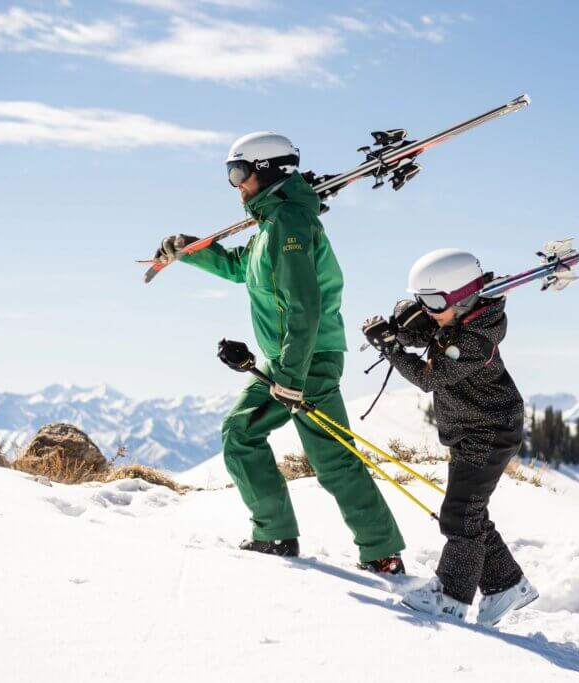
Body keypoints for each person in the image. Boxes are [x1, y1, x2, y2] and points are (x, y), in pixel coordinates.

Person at [156, 132, 405, 573]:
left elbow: (305, 304)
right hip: (283, 359)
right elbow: (240, 267)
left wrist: (291, 375)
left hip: (308, 359)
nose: (235, 185)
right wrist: (190, 249)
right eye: (230, 174)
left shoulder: (290, 224)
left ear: (265, 170)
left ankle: (381, 552)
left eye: (238, 172)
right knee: (240, 432)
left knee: (330, 458)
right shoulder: (271, 224)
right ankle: (273, 534)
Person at [362, 248, 539, 624]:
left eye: (432, 301)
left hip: (489, 432)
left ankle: (450, 597)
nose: (426, 308)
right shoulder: (457, 319)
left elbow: (430, 376)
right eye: (420, 299)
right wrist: (400, 325)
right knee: (469, 512)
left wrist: (391, 348)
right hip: (473, 430)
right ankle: (507, 585)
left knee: (459, 516)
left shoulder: (475, 338)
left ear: (460, 297)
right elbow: (427, 329)